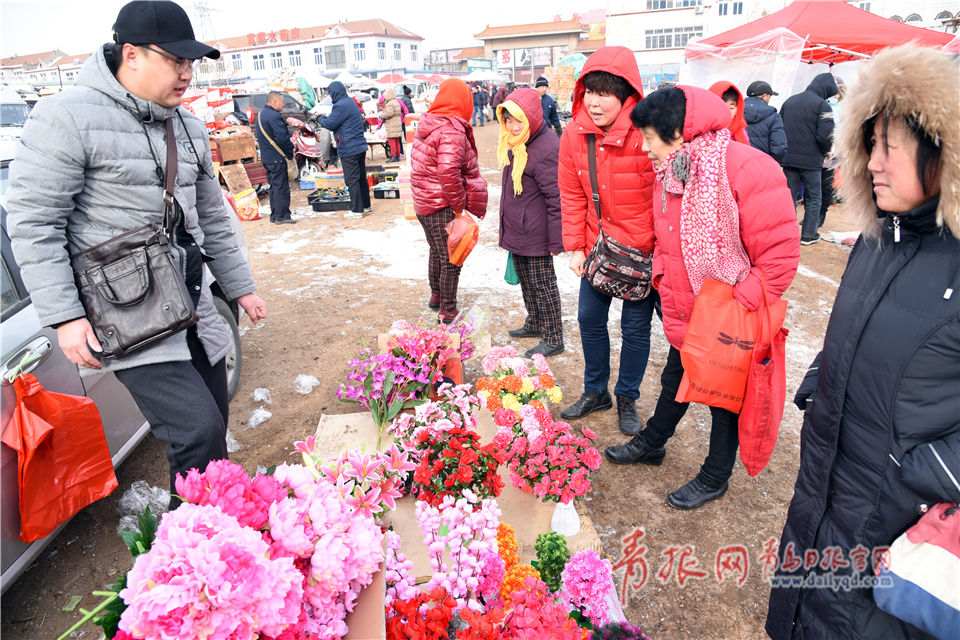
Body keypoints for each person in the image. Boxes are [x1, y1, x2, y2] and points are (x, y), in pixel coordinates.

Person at [5, 0, 268, 502]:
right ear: (131, 54)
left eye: (192, 63)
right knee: (195, 432)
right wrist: (64, 316)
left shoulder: (187, 126)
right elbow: (35, 223)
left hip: (192, 302)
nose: (188, 73)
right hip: (129, 311)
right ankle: (185, 564)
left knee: (213, 427)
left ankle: (215, 553)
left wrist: (241, 287)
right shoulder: (65, 117)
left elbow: (211, 215)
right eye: (177, 60)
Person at [766, 45, 959, 640]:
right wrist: (821, 381)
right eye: (867, 144)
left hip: (899, 519)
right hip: (826, 493)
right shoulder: (875, 242)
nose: (873, 163)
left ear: (941, 152)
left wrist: (919, 470)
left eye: (890, 147)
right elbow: (851, 337)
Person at [608, 85, 799, 510]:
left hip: (728, 312)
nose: (644, 146)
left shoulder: (748, 168)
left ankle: (715, 476)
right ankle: (654, 442)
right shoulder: (674, 170)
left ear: (678, 131)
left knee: (724, 400)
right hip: (689, 307)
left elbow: (780, 255)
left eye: (650, 136)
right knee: (676, 377)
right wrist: (662, 274)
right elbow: (668, 237)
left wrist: (735, 304)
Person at [557, 46, 656, 436]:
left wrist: (661, 250)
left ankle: (627, 396)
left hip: (641, 250)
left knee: (635, 329)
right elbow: (571, 193)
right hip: (598, 247)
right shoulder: (574, 133)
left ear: (627, 95)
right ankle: (595, 390)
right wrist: (576, 246)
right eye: (590, 92)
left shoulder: (648, 134)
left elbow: (664, 197)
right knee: (589, 319)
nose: (595, 103)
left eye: (606, 95)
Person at [410, 78, 488, 322]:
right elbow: (448, 172)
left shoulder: (430, 123)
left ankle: (436, 296)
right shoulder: (451, 129)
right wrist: (458, 204)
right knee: (452, 257)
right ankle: (448, 308)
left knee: (437, 251)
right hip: (441, 203)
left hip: (424, 202)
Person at [496, 88, 565, 358]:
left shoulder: (546, 146)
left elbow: (556, 197)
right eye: (508, 120)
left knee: (542, 284)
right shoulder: (516, 142)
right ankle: (535, 322)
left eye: (518, 120)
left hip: (537, 232)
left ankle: (554, 336)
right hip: (520, 227)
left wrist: (555, 241)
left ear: (532, 117)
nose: (512, 127)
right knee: (526, 280)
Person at [780, 73, 839, 245]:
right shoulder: (823, 106)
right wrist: (825, 151)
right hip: (811, 161)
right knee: (813, 197)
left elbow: (780, 128)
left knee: (789, 197)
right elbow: (825, 136)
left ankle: (786, 235)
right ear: (825, 89)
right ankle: (808, 234)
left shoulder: (789, 101)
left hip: (788, 159)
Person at [317, 81, 370, 219]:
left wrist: (319, 118)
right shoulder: (350, 102)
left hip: (349, 147)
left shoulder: (340, 105)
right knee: (361, 177)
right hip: (359, 145)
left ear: (334, 93)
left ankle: (357, 210)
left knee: (352, 179)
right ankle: (366, 205)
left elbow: (330, 124)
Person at [255, 91, 296, 224]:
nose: (283, 104)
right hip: (276, 158)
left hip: (267, 158)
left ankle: (275, 215)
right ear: (274, 102)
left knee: (274, 187)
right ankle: (282, 216)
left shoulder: (261, 114)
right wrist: (291, 150)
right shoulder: (274, 116)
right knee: (281, 188)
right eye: (282, 102)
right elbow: (282, 138)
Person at [744, 80, 787, 164]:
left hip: (741, 163)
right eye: (770, 96)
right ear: (765, 96)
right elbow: (779, 148)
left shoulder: (735, 112)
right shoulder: (774, 117)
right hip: (764, 164)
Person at [378, 88, 404, 161]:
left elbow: (389, 113)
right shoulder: (396, 102)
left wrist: (381, 115)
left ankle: (393, 156)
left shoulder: (389, 104)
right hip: (397, 124)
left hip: (392, 125)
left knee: (392, 141)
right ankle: (398, 156)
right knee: (397, 141)